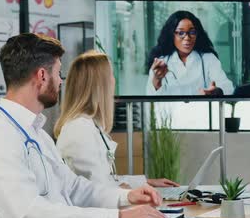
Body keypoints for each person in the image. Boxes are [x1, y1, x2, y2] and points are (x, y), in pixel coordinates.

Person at [0, 33, 189, 218]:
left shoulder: (37, 135)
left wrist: (126, 196)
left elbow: (75, 188)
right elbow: (31, 213)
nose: (61, 82)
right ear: (41, 76)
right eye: (58, 74)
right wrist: (119, 217)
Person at [54, 51, 179, 189]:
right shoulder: (78, 130)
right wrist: (134, 192)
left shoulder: (90, 125)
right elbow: (98, 192)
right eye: (111, 75)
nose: (114, 80)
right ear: (100, 85)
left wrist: (146, 183)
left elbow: (105, 179)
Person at [145, 10, 234, 96]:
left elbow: (227, 87)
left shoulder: (208, 59)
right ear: (171, 34)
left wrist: (216, 92)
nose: (187, 38)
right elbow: (150, 98)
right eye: (181, 33)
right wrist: (157, 80)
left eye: (192, 32)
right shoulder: (160, 63)